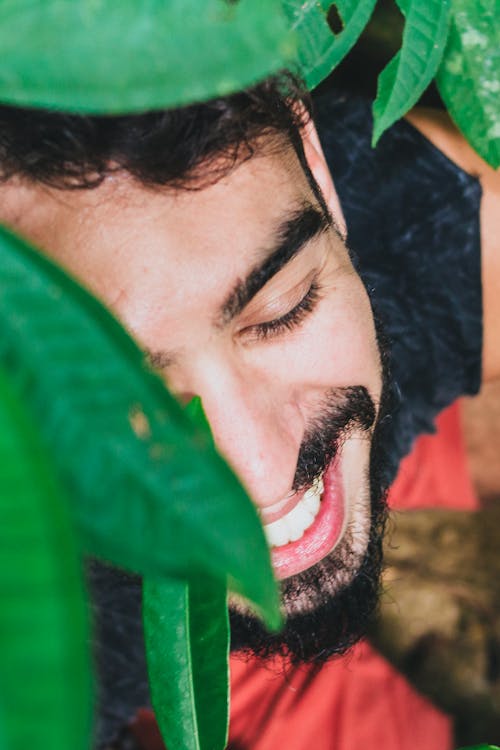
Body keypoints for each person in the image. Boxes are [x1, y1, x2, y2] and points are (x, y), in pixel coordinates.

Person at [0, 71, 497, 746]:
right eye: (117, 394)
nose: (261, 476)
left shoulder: (422, 211)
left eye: (283, 310)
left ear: (316, 170)